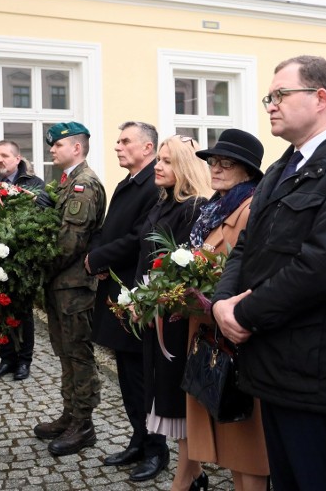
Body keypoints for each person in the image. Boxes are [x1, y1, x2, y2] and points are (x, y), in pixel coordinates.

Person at [210, 55, 326, 491]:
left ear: (321, 98)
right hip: (275, 366)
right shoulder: (281, 167)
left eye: (280, 95)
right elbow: (246, 248)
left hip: (320, 372)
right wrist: (221, 302)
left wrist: (245, 314)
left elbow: (325, 266)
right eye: (268, 98)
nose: (270, 105)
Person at [187, 129, 269, 491]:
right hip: (210, 337)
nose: (215, 168)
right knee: (231, 446)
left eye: (226, 163)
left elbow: (252, 275)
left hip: (236, 342)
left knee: (247, 447)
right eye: (213, 162)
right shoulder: (214, 207)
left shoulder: (252, 210)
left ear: (247, 172)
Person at [131, 134, 211, 486]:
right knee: (164, 397)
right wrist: (137, 297)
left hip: (176, 320)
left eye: (166, 160)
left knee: (178, 404)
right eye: (158, 159)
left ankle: (185, 480)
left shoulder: (193, 207)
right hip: (156, 314)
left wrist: (151, 299)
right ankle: (195, 474)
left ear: (185, 166)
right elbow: (144, 255)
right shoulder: (163, 202)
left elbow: (183, 271)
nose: (158, 166)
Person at [85, 121, 161, 469]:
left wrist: (99, 258)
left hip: (136, 294)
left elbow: (138, 239)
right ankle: (138, 440)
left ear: (148, 148)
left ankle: (156, 449)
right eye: (117, 140)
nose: (117, 146)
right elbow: (109, 228)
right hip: (116, 288)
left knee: (144, 378)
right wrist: (96, 255)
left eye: (125, 141)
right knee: (129, 376)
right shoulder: (126, 183)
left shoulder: (153, 186)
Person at [33, 122, 106, 457]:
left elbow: (70, 243)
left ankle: (84, 424)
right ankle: (70, 413)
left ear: (77, 148)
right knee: (65, 352)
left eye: (58, 144)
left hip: (75, 286)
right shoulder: (67, 183)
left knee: (78, 354)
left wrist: (38, 267)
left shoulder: (84, 185)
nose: (52, 149)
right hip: (61, 285)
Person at [0, 140, 45, 381]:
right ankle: (6, 358)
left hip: (21, 258)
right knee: (0, 308)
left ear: (17, 159)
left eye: (5, 155)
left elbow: (42, 217)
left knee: (23, 311)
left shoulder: (33, 184)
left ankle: (24, 361)